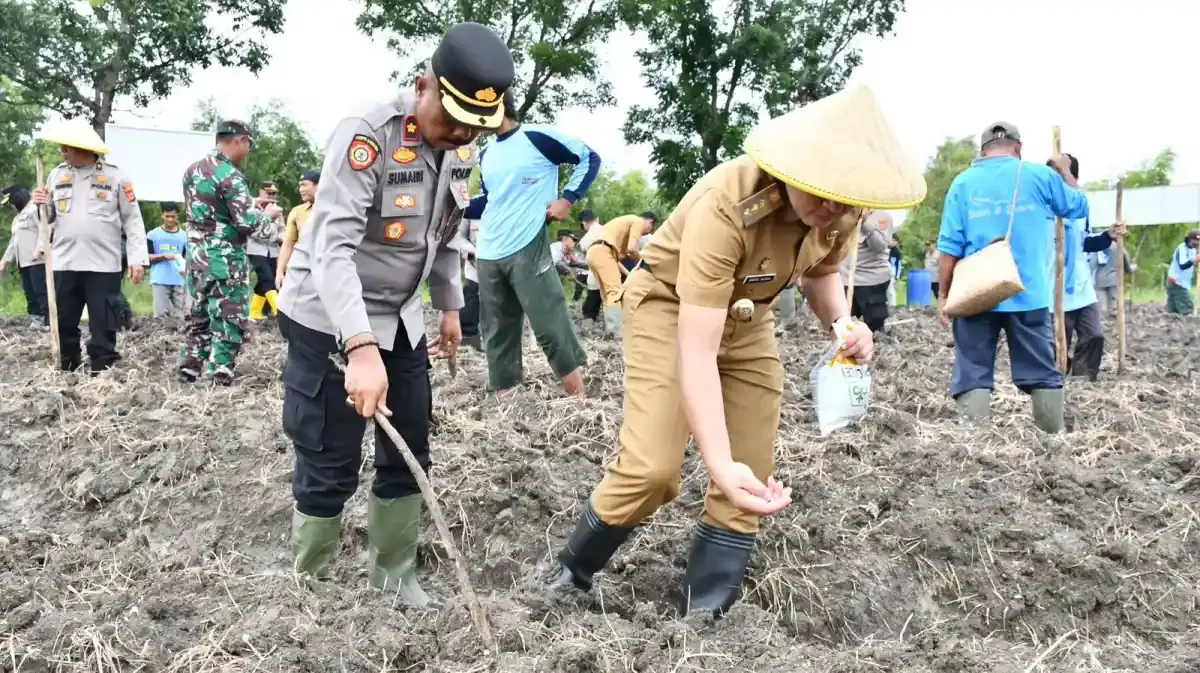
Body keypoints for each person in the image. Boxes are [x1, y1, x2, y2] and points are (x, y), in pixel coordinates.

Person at [550, 84, 924, 616]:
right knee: (654, 469)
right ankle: (570, 572)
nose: (832, 208)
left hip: (749, 320)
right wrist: (717, 462)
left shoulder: (843, 210)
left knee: (751, 469)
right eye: (821, 192)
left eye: (844, 199)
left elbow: (820, 272)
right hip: (669, 308)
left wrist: (844, 325)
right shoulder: (727, 204)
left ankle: (707, 611)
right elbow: (698, 351)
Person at [275, 21, 514, 606]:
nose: (460, 134)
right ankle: (312, 587)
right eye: (451, 119)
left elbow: (443, 232)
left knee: (409, 445)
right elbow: (331, 248)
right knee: (330, 452)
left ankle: (395, 575)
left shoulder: (461, 147)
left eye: (474, 126)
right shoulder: (369, 133)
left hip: (401, 316)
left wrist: (450, 307)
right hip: (328, 315)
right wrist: (358, 348)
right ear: (422, 86)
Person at [936, 122, 1089, 432]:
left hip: (975, 294)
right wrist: (1065, 174)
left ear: (982, 151)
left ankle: (971, 443)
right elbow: (1079, 206)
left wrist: (944, 294)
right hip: (1028, 293)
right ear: (1018, 148)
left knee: (972, 371)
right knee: (1042, 371)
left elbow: (949, 246)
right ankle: (1052, 440)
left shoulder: (962, 183)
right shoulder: (1040, 176)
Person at [464, 89, 599, 396]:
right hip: (489, 252)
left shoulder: (537, 138)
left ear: (495, 103)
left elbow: (589, 157)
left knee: (549, 323)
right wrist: (457, 205)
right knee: (497, 330)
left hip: (527, 244)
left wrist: (567, 199)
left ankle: (579, 400)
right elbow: (491, 200)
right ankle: (507, 402)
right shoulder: (485, 154)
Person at [29, 118, 148, 373]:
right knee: (63, 319)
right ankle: (67, 364)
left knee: (104, 320)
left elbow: (133, 220)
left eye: (67, 148)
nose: (62, 152)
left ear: (83, 149)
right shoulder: (57, 175)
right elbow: (48, 219)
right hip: (65, 261)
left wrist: (137, 259)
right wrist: (40, 204)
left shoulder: (116, 177)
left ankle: (102, 367)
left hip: (103, 264)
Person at [179, 119, 279, 384]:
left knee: (199, 313)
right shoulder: (231, 175)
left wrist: (250, 202)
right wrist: (267, 216)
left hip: (197, 256)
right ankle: (221, 370)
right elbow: (246, 223)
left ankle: (190, 365)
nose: (248, 150)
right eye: (248, 144)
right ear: (240, 140)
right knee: (229, 314)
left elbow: (210, 207)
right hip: (225, 259)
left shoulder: (192, 170)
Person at [1046, 156, 1127, 382]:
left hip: (1081, 285)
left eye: (1062, 174)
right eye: (1054, 175)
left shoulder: (1080, 207)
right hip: (1053, 285)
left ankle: (1083, 381)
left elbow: (1086, 242)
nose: (1057, 180)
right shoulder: (1043, 208)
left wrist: (1109, 235)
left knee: (1094, 336)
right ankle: (1056, 381)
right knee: (1057, 343)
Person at [584, 212, 654, 336]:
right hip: (603, 251)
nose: (645, 234)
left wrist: (630, 274)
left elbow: (614, 260)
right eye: (648, 230)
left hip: (594, 252)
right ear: (650, 222)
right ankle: (617, 332)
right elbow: (632, 249)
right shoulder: (638, 221)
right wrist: (644, 264)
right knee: (615, 293)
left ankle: (611, 330)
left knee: (607, 294)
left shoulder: (618, 229)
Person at [0, 185, 48, 329]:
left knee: (41, 291)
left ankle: (47, 320)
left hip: (38, 261)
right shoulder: (17, 219)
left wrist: (39, 250)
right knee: (30, 291)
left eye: (11, 202)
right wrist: (4, 261)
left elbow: (44, 230)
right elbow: (13, 242)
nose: (11, 206)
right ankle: (36, 317)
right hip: (24, 262)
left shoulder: (35, 210)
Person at [840, 209, 891, 335]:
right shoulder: (844, 214)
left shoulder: (882, 217)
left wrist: (865, 222)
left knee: (874, 322)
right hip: (846, 279)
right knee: (846, 322)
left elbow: (880, 246)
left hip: (871, 279)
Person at [276, 170, 320, 290]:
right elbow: (288, 244)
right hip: (302, 269)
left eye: (304, 185)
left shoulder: (334, 210)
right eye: (300, 186)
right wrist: (280, 271)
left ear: (318, 185)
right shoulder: (297, 212)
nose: (301, 190)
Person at [248, 180, 284, 320]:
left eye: (273, 193)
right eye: (268, 193)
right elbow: (252, 231)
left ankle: (255, 312)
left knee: (267, 280)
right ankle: (280, 312)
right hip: (256, 249)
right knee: (267, 278)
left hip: (273, 250)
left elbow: (282, 229)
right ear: (261, 192)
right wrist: (273, 233)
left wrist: (283, 238)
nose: (271, 196)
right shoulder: (251, 209)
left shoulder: (277, 210)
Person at [146, 202, 189, 318]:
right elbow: (146, 258)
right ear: (162, 215)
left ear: (177, 216)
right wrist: (163, 256)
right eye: (167, 216)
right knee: (161, 315)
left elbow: (187, 258)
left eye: (173, 216)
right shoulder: (152, 235)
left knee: (184, 315)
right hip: (160, 279)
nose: (170, 219)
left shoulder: (184, 236)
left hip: (179, 280)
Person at [453, 217, 483, 350]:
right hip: (475, 266)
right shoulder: (470, 212)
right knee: (470, 300)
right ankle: (469, 341)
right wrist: (473, 252)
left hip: (504, 265)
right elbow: (459, 238)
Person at [1090, 235, 1135, 316]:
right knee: (1114, 307)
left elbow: (1092, 264)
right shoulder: (1120, 248)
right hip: (1114, 280)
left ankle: (1102, 321)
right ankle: (1114, 320)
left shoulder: (1099, 248)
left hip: (1100, 280)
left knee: (1101, 308)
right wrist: (1133, 268)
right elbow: (1128, 267)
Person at [576, 209, 603, 323]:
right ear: (597, 219)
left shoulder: (588, 237)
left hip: (597, 270)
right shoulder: (606, 229)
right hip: (614, 269)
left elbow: (582, 248)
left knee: (593, 296)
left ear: (584, 222)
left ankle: (589, 318)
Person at [1164, 230, 1199, 315]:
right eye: (1196, 241)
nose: (1198, 243)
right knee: (1187, 309)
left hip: (1180, 283)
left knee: (1172, 312)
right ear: (1190, 239)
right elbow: (1182, 265)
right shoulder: (1182, 248)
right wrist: (1196, 259)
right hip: (1177, 283)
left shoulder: (1193, 250)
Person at [550, 230, 588, 304]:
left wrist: (592, 266)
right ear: (564, 238)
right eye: (573, 240)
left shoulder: (566, 253)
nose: (574, 242)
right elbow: (556, 262)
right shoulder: (556, 247)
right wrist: (568, 272)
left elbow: (576, 263)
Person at [887, 233, 902, 307]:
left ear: (897, 242)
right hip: (885, 272)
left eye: (894, 240)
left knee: (891, 290)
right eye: (892, 240)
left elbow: (898, 265)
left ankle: (893, 305)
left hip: (892, 273)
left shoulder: (897, 252)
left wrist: (897, 277)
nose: (892, 242)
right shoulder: (887, 249)